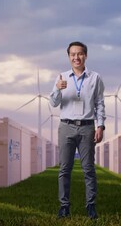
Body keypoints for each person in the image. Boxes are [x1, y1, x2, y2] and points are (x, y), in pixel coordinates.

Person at [49, 41, 106, 220]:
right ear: (69, 57)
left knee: (88, 169)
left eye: (79, 54)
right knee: (64, 169)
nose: (76, 57)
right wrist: (58, 89)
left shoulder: (95, 78)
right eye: (72, 54)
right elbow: (53, 103)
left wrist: (100, 125)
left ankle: (91, 206)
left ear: (85, 55)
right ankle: (64, 207)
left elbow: (99, 103)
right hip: (66, 126)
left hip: (87, 127)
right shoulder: (61, 77)